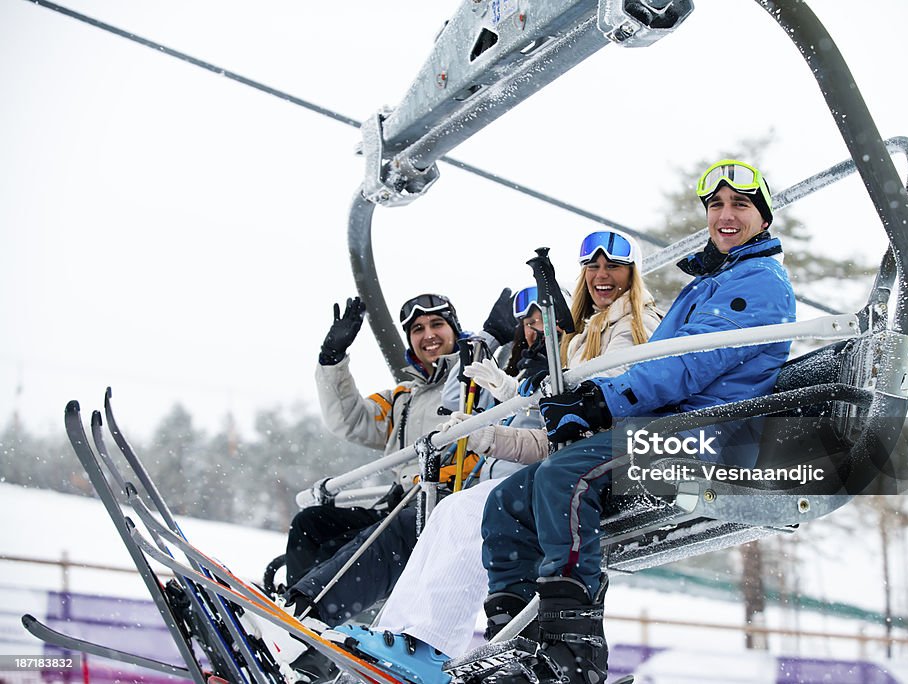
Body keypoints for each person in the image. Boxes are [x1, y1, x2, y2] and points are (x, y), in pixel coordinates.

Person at [477, 160, 797, 684]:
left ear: (762, 217)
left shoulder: (757, 283)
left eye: (740, 205)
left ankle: (573, 647)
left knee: (565, 477)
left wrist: (604, 402)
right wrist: (583, 400)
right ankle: (513, 636)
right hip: (669, 426)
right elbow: (664, 364)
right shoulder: (715, 281)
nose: (726, 215)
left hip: (705, 436)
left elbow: (690, 364)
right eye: (716, 205)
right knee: (508, 500)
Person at [322, 231, 662, 681]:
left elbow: (600, 404)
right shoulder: (584, 338)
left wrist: (525, 398)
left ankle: (429, 644)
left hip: (605, 463)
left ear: (631, 274)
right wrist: (492, 427)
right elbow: (555, 433)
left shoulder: (634, 324)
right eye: (593, 268)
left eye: (613, 267)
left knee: (469, 515)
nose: (602, 276)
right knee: (450, 512)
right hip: (563, 461)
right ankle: (396, 634)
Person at [281, 290, 518, 608]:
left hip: (445, 501)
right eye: (418, 329)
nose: (429, 335)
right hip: (401, 501)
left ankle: (315, 608)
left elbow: (501, 394)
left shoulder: (479, 378)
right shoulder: (403, 399)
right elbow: (349, 420)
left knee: (382, 536)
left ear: (454, 330)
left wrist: (485, 343)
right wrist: (332, 360)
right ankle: (296, 609)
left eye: (437, 324)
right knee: (312, 524)